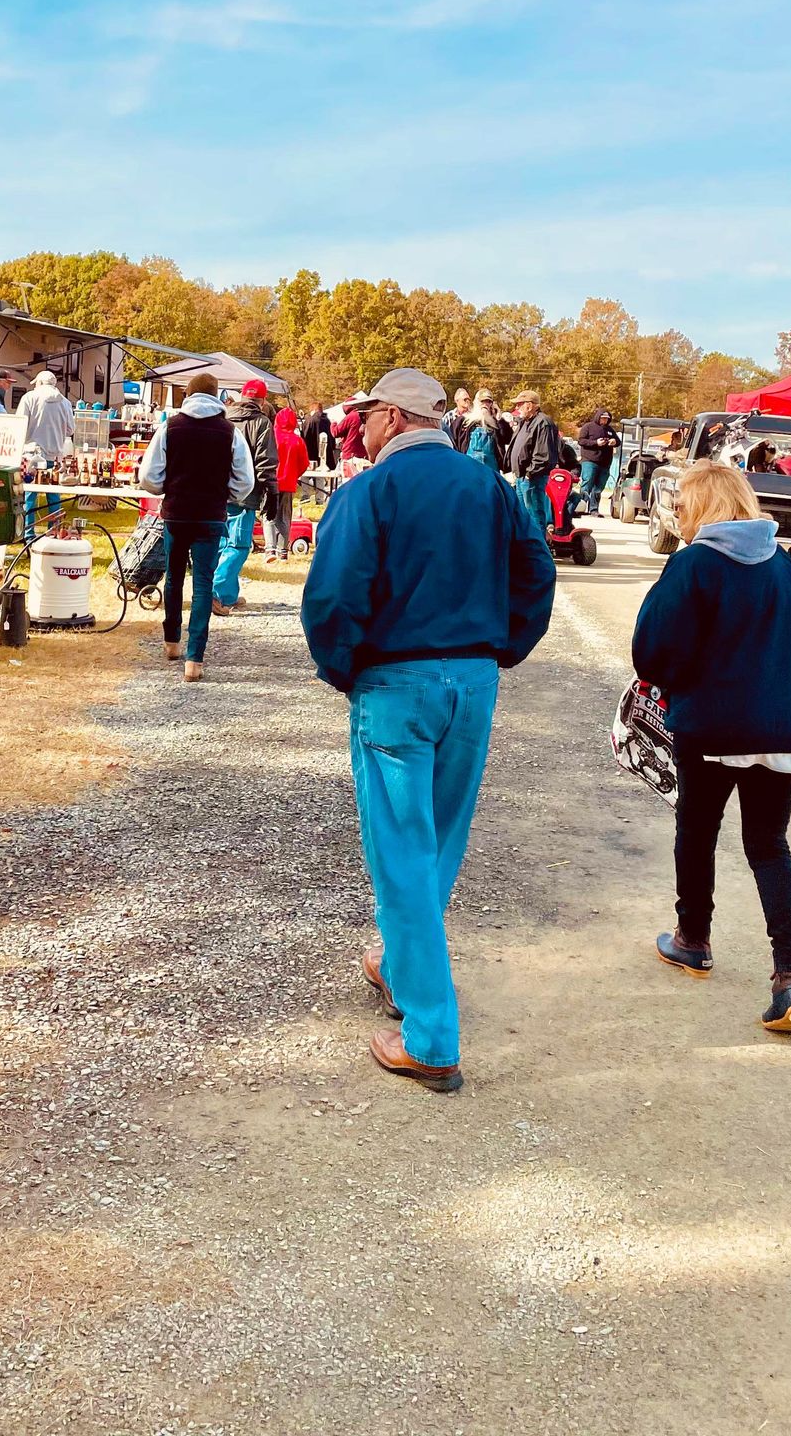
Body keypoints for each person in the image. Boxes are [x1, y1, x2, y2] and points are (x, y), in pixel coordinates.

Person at [301, 368, 556, 1093]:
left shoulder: (368, 492)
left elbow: (331, 595)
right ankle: (400, 958)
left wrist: (344, 668)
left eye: (365, 418)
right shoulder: (491, 489)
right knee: (439, 837)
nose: (358, 430)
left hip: (395, 680)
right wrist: (502, 646)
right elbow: (537, 573)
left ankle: (432, 1037)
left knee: (402, 850)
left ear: (389, 417)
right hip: (472, 679)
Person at [632, 460, 791, 1035]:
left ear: (698, 508)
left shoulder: (692, 564)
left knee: (697, 830)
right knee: (769, 845)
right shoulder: (786, 568)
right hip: (786, 729)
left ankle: (692, 939)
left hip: (713, 728)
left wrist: (678, 681)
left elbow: (651, 652)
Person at [139, 371, 255, 682]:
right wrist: (224, 495)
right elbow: (245, 481)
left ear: (188, 395)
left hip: (176, 513)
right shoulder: (230, 432)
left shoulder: (170, 427)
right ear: (217, 396)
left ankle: (171, 641)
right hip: (211, 514)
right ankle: (195, 659)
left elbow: (149, 476)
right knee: (203, 584)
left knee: (174, 577)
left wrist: (169, 488)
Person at [213, 380, 277, 612]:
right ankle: (215, 592)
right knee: (239, 545)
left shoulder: (223, 418)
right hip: (246, 493)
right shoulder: (262, 423)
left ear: (241, 395)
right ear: (262, 399)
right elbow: (265, 461)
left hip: (218, 492)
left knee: (221, 543)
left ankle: (228, 595)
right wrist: (272, 490)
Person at [507, 389, 562, 538]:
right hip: (521, 477)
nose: (517, 408)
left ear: (530, 405)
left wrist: (530, 473)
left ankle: (537, 551)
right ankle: (526, 550)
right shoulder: (526, 422)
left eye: (519, 405)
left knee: (534, 515)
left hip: (532, 478)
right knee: (522, 516)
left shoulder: (543, 423)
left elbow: (543, 454)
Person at [267, 406, 309, 562]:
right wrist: (294, 474)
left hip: (271, 481)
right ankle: (283, 551)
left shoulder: (272, 437)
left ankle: (270, 548)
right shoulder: (298, 441)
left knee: (269, 515)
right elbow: (304, 463)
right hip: (288, 483)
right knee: (285, 517)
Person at [19, 368, 75, 466]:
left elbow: (19, 425)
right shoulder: (66, 402)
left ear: (40, 383)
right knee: (50, 480)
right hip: (55, 457)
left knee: (29, 481)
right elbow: (70, 430)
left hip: (31, 456)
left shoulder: (29, 398)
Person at [576, 407, 618, 516]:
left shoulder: (610, 430)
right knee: (587, 483)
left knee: (599, 487)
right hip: (590, 460)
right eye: (602, 418)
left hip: (605, 463)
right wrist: (596, 443)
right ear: (598, 417)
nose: (604, 420)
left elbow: (618, 441)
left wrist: (614, 441)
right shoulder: (588, 427)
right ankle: (581, 506)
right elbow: (581, 441)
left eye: (606, 419)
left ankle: (594, 509)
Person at [465, 389, 507, 473]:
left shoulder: (496, 424)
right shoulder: (464, 422)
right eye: (482, 401)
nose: (485, 404)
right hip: (470, 467)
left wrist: (499, 417)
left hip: (491, 468)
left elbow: (507, 438)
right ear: (476, 402)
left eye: (488, 402)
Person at [302, 401, 337, 472]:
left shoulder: (310, 420)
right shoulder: (327, 421)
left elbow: (305, 438)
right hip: (327, 455)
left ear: (313, 410)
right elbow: (332, 438)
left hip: (312, 456)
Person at [336, 402, 367, 469]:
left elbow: (336, 432)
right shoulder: (365, 415)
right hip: (364, 455)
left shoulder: (350, 416)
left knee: (347, 478)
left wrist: (333, 424)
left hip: (350, 455)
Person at [442, 387, 472, 452]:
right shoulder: (449, 416)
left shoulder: (473, 417)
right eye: (465, 399)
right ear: (457, 400)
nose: (467, 401)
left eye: (469, 399)